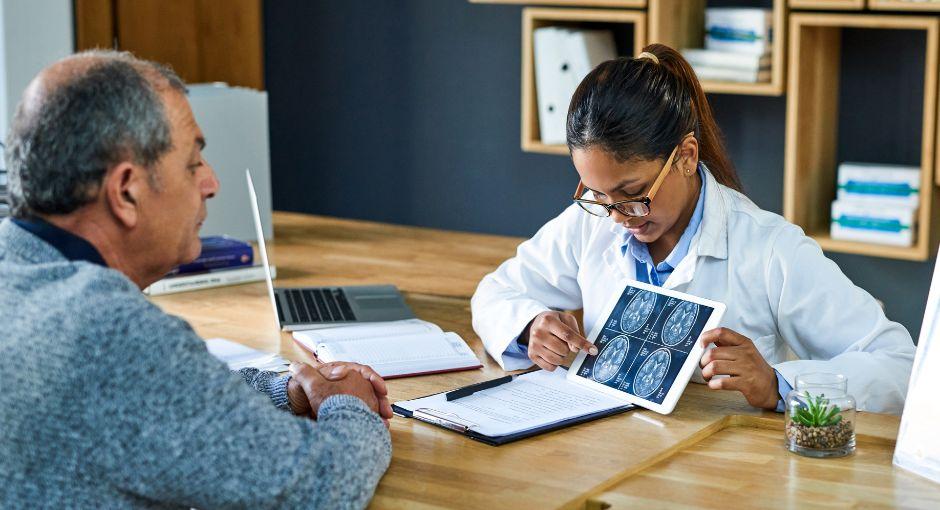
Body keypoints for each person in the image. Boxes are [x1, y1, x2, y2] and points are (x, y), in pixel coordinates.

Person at [0, 50, 392, 507]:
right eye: (192, 164)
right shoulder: (107, 331)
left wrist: (284, 391)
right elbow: (320, 488)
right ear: (126, 191)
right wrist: (351, 403)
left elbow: (149, 398)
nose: (211, 183)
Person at [471, 44, 915, 414]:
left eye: (633, 193)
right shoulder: (592, 224)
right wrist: (531, 325)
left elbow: (898, 364)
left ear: (685, 155)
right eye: (598, 196)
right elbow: (493, 294)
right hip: (606, 455)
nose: (618, 218)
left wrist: (778, 383)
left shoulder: (770, 249)